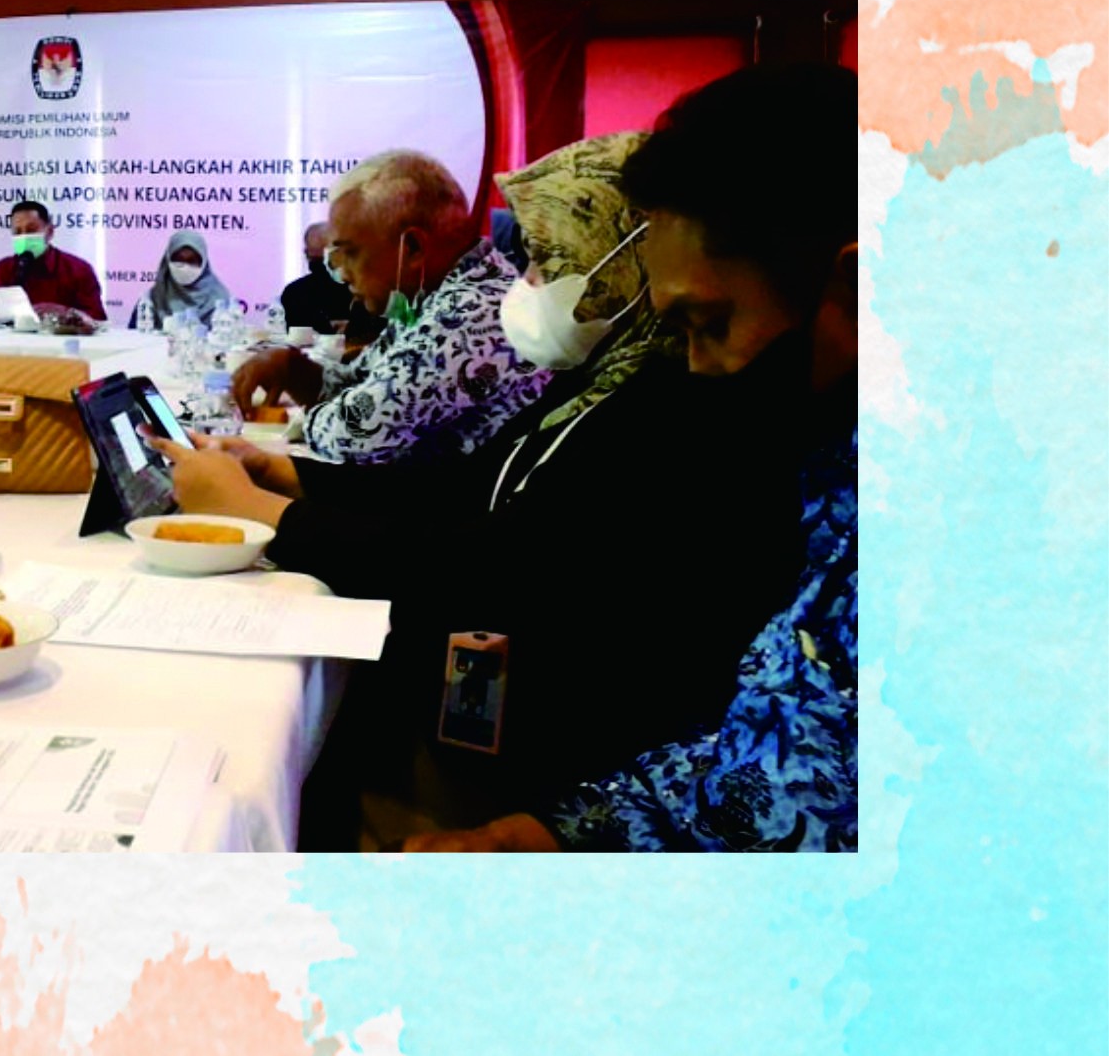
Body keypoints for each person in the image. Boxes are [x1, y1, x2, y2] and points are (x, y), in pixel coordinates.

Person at [153, 130, 805, 836]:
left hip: (552, 742)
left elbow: (495, 560)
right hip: (506, 694)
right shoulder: (601, 379)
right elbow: (465, 487)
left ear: (623, 261)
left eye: (546, 260)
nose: (526, 281)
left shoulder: (672, 405)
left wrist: (267, 514)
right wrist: (289, 478)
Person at [404, 62, 857, 852]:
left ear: (855, 287)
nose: (696, 368)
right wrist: (553, 833)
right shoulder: (831, 474)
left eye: (711, 323)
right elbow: (768, 738)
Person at [233, 151, 548, 467]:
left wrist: (303, 418)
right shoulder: (426, 296)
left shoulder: (470, 313)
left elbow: (354, 434)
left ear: (412, 247)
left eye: (350, 253)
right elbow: (357, 382)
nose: (342, 274)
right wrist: (293, 368)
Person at [0, 200, 105, 321]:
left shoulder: (78, 270)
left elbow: (97, 319)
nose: (24, 236)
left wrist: (64, 312)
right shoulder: (3, 269)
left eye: (31, 230)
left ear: (50, 232)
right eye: (18, 232)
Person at [129, 229, 236, 329]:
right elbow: (133, 337)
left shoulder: (221, 301)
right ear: (167, 260)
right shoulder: (152, 299)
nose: (185, 267)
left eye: (192, 261)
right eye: (178, 259)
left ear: (204, 263)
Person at [277, 222, 351, 334]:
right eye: (318, 260)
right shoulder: (295, 293)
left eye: (329, 259)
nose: (325, 268)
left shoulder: (361, 290)